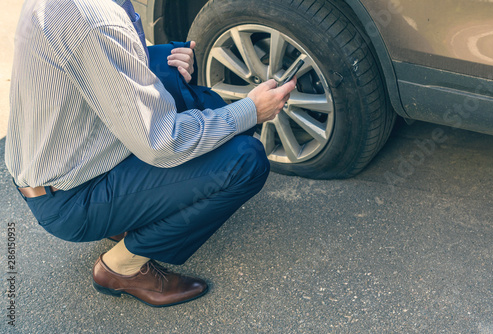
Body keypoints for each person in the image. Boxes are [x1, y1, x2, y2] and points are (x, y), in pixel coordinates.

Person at [5, 0, 297, 307]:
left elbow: (95, 64)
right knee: (243, 160)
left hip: (66, 164)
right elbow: (162, 143)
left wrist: (159, 57)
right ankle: (121, 267)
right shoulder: (94, 19)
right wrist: (251, 111)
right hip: (71, 198)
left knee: (209, 108)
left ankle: (129, 215)